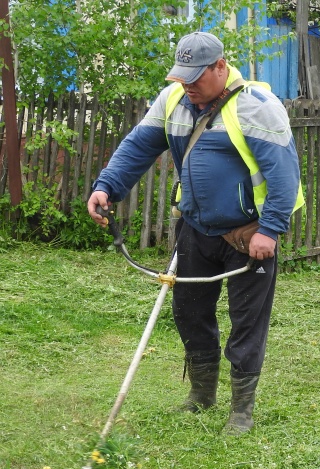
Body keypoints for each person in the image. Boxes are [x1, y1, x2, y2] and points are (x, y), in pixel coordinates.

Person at [88, 31, 303, 435]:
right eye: (182, 77)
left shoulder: (258, 107)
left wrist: (270, 230)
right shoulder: (171, 101)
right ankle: (202, 396)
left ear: (220, 67)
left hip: (248, 236)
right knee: (189, 313)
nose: (188, 86)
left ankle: (242, 411)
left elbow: (284, 174)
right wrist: (107, 186)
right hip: (194, 228)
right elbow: (138, 147)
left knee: (247, 322)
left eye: (196, 77)